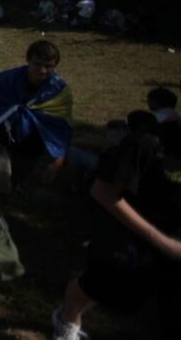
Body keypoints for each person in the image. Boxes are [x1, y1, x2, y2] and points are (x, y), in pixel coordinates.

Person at [51, 128, 181, 340]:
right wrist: (163, 242)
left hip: (169, 249)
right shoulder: (147, 142)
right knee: (98, 287)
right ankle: (66, 319)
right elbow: (102, 191)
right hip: (128, 241)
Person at [0, 40, 72, 210]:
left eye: (48, 66)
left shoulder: (58, 91)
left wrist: (59, 157)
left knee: (15, 180)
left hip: (30, 145)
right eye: (37, 64)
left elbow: (61, 126)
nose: (42, 70)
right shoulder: (6, 80)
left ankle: (0, 206)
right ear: (28, 60)